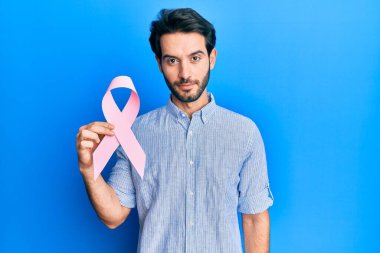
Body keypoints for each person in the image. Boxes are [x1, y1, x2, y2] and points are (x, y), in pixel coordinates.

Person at [76, 8, 274, 253]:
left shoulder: (244, 133)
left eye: (195, 58)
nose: (185, 73)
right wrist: (88, 169)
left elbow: (255, 219)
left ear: (212, 58)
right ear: (159, 63)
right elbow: (113, 215)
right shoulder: (135, 133)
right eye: (172, 60)